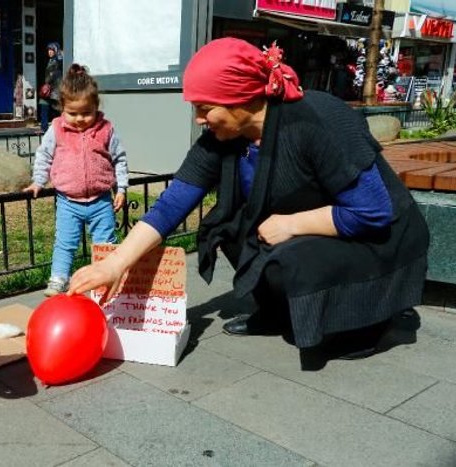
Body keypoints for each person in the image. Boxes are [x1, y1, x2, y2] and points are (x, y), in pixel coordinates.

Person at [67, 38, 429, 363]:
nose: (199, 119)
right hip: (314, 222)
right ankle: (276, 312)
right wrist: (115, 264)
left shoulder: (317, 120)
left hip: (378, 237)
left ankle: (363, 327)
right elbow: (171, 204)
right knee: (226, 227)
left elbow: (373, 212)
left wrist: (291, 224)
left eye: (205, 108)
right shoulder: (222, 137)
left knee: (295, 259)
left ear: (240, 99)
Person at [25, 63, 129, 297]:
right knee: (65, 242)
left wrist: (121, 188)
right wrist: (38, 181)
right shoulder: (57, 129)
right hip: (68, 201)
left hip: (101, 200)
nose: (80, 119)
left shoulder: (105, 130)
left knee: (105, 244)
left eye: (86, 112)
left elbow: (119, 159)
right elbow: (44, 155)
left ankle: (103, 281)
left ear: (96, 107)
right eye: (73, 113)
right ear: (62, 108)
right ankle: (59, 279)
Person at [39, 42, 63, 132]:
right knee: (44, 104)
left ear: (56, 51)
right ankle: (44, 127)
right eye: (49, 50)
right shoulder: (50, 61)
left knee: (58, 108)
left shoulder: (58, 60)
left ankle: (62, 126)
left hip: (56, 88)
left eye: (52, 50)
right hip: (49, 88)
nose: (49, 52)